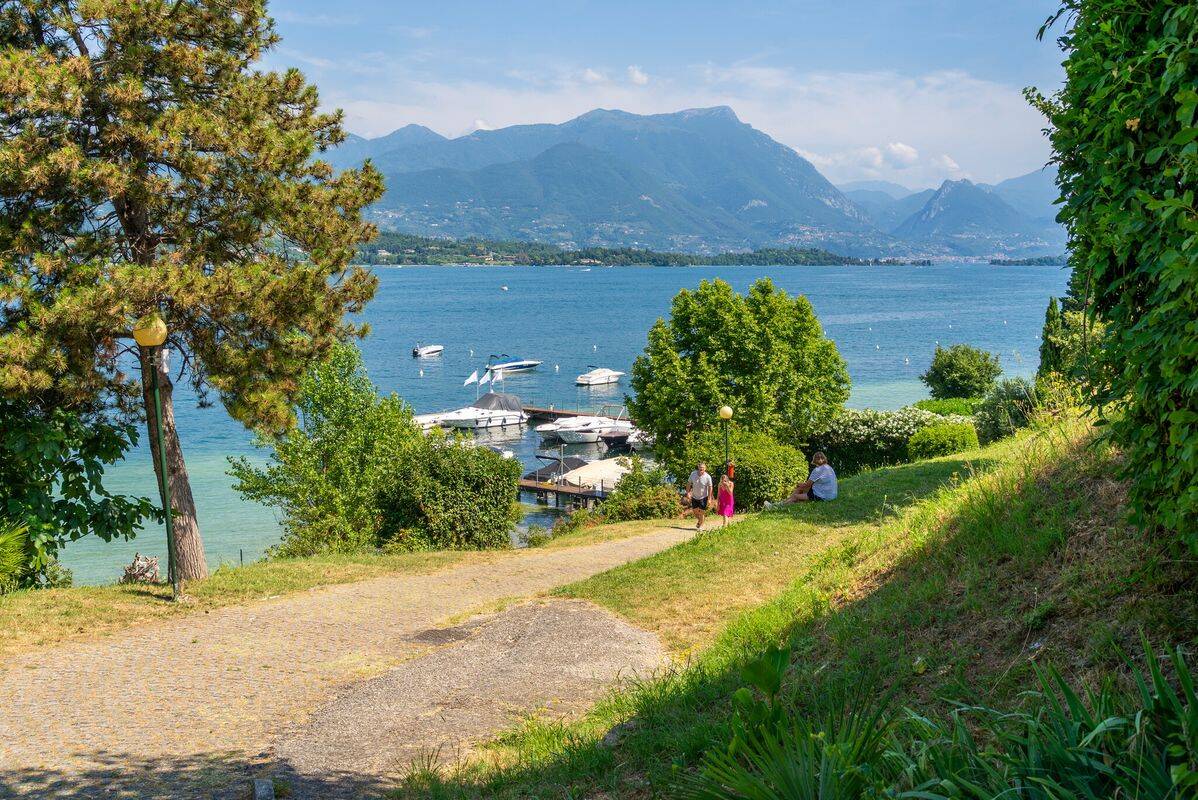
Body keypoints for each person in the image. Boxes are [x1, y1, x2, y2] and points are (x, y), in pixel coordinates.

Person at [767, 452, 838, 507]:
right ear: (824, 458)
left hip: (822, 496)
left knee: (796, 496)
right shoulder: (829, 467)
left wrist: (798, 483)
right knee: (799, 493)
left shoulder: (817, 470)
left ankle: (776, 506)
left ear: (814, 460)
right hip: (832, 495)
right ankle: (781, 503)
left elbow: (807, 485)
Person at [683, 461, 713, 530]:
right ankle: (700, 520)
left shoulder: (708, 477)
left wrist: (709, 498)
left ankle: (701, 526)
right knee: (695, 511)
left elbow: (710, 487)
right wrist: (687, 493)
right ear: (698, 468)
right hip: (694, 496)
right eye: (700, 468)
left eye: (703, 468)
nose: (701, 469)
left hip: (703, 497)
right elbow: (689, 483)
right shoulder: (693, 474)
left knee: (702, 512)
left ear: (705, 469)